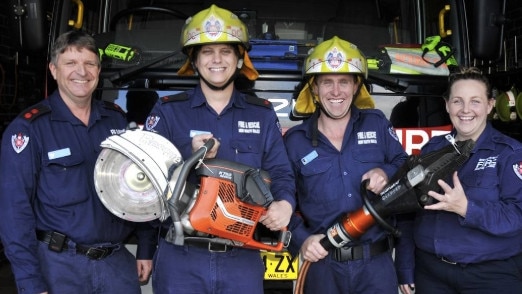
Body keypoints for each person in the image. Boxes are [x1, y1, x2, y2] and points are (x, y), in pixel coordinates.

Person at [143, 5, 296, 294]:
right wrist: (186, 151)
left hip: (242, 258)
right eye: (207, 52)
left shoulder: (261, 115)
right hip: (181, 256)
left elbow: (281, 172)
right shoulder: (167, 112)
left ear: (239, 60)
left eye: (226, 51)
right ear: (195, 60)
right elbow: (143, 176)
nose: (217, 60)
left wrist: (285, 204)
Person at [0, 30, 156, 294]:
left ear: (98, 69)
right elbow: (14, 213)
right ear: (53, 69)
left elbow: (141, 188)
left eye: (89, 63)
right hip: (59, 267)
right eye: (70, 63)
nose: (81, 72)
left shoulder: (117, 121)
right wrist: (30, 281)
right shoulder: (29, 129)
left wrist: (145, 245)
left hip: (116, 265)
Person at [284, 36, 408, 293]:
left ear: (356, 86)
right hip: (323, 267)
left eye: (344, 82)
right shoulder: (295, 141)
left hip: (376, 266)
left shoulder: (377, 123)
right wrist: (301, 240)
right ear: (314, 89)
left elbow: (404, 164)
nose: (336, 91)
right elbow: (279, 197)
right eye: (327, 82)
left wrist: (384, 171)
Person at [395, 67, 522, 294]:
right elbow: (407, 212)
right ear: (447, 105)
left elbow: (517, 216)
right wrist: (405, 266)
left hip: (490, 276)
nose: (465, 110)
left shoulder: (510, 153)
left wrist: (466, 208)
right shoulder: (431, 149)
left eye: (475, 101)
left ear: (490, 105)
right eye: (457, 101)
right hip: (431, 274)